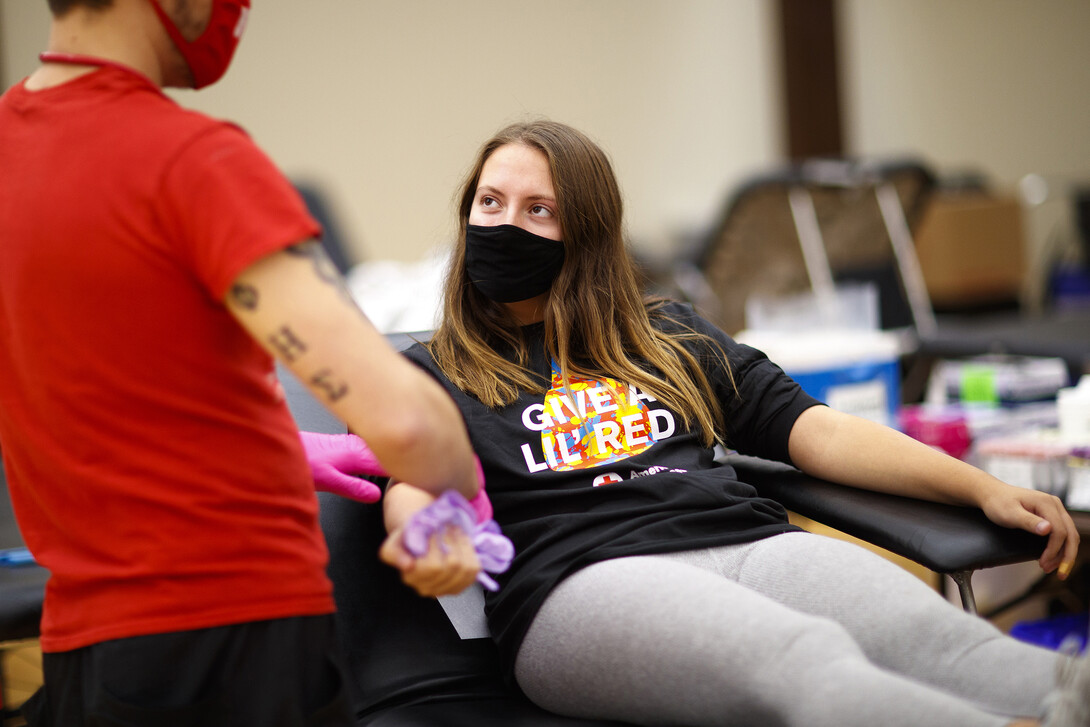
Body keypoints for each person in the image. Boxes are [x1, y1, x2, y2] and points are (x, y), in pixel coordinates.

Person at [379, 119, 1089, 727]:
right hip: (581, 580)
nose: (505, 224)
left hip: (744, 541)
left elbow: (819, 430)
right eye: (490, 202)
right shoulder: (435, 370)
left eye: (539, 210)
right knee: (806, 661)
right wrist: (424, 529)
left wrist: (980, 487)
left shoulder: (664, 335)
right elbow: (409, 483)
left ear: (587, 232)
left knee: (953, 646)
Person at [0, 1, 482, 725]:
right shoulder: (192, 160)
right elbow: (406, 421)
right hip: (238, 638)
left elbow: (87, 387)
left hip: (89, 648)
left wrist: (270, 445)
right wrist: (461, 486)